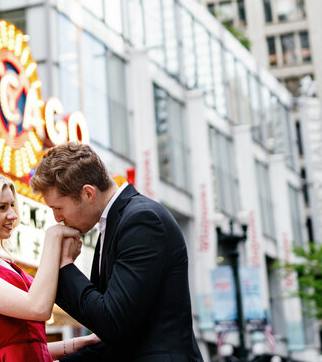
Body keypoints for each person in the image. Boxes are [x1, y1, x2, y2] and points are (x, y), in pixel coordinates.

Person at [29, 142, 203, 362]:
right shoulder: (115, 223)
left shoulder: (142, 221)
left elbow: (112, 323)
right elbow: (119, 338)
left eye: (58, 208)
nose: (57, 218)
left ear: (88, 193)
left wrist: (65, 267)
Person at [0, 169, 102, 362]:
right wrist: (53, 238)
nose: (13, 215)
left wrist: (84, 342)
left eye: (12, 206)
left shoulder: (6, 264)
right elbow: (38, 308)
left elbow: (30, 346)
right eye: (2, 207)